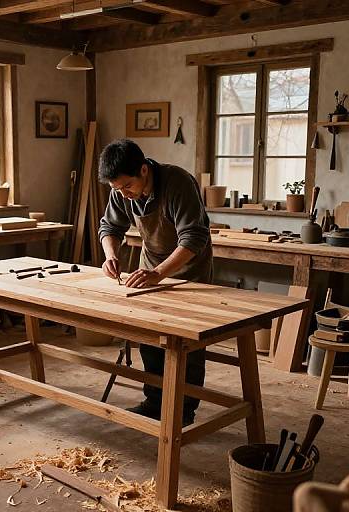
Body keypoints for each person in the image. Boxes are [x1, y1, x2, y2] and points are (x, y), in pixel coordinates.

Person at [98, 139, 213, 425]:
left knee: (187, 344)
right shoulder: (121, 191)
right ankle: (155, 401)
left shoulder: (178, 183)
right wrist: (111, 255)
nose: (124, 195)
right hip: (149, 270)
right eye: (117, 189)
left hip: (189, 271)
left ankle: (183, 410)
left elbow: (193, 238)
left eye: (127, 187)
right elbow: (110, 227)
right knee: (149, 338)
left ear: (144, 170)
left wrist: (160, 273)